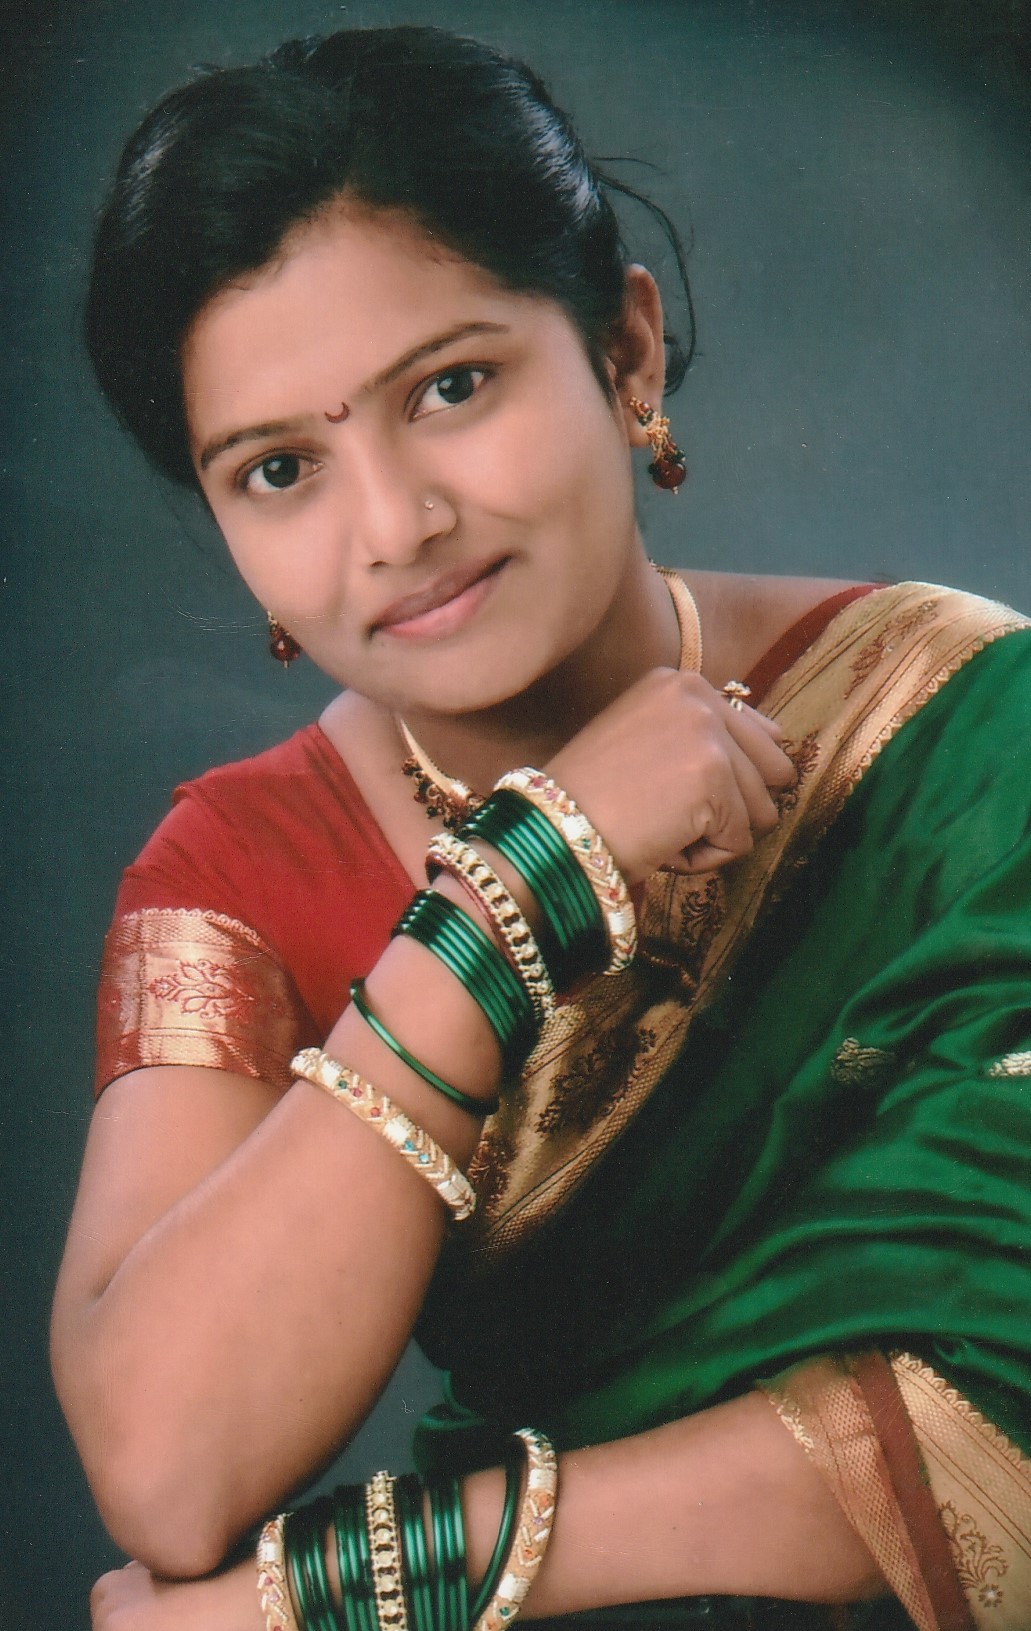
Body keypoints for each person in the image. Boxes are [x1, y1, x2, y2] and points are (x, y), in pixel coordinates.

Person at [50, 25, 1031, 1631]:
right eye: (281, 469)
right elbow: (165, 1473)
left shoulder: (974, 733)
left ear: (626, 356)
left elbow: (1003, 1413)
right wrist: (517, 891)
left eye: (453, 386)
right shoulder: (241, 870)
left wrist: (339, 1592)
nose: (396, 526)